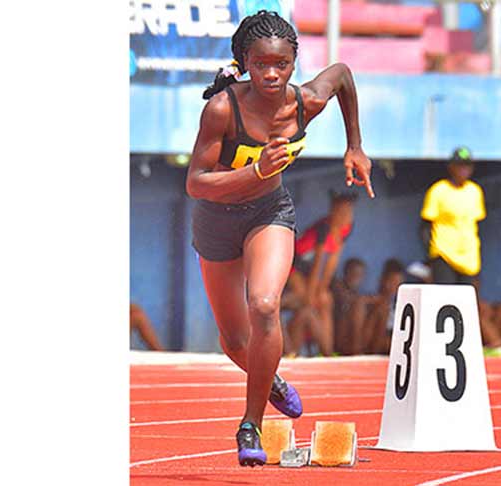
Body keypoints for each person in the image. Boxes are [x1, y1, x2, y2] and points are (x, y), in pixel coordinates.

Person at [186, 10, 374, 467]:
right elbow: (196, 182)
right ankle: (268, 379)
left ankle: (250, 424)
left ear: (293, 62)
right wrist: (255, 170)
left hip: (269, 212)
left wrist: (354, 145)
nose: (272, 74)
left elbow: (344, 76)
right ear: (244, 62)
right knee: (234, 340)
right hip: (216, 220)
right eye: (261, 64)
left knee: (266, 304)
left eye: (282, 65)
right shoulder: (221, 109)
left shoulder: (306, 101)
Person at [282, 190, 357, 357]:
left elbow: (331, 263)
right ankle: (317, 352)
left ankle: (327, 351)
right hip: (294, 266)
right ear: (333, 212)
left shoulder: (347, 228)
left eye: (349, 212)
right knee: (308, 302)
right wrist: (311, 294)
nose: (347, 216)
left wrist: (321, 289)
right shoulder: (324, 228)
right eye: (343, 212)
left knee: (325, 299)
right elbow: (318, 265)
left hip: (307, 270)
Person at [420, 146, 486, 287]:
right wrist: (431, 257)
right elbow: (425, 226)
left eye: (467, 166)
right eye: (460, 165)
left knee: (466, 302)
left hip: (469, 258)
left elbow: (477, 224)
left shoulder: (475, 191)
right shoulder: (438, 190)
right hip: (444, 254)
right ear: (451, 167)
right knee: (446, 300)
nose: (463, 170)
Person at [361, 259, 405, 355]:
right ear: (382, 279)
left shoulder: (401, 304)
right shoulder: (372, 300)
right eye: (391, 281)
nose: (393, 286)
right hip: (372, 343)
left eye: (397, 282)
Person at [330, 257, 367, 356]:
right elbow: (347, 298)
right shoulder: (337, 286)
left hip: (350, 337)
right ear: (345, 273)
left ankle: (360, 350)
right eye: (353, 274)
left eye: (359, 275)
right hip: (335, 338)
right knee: (358, 305)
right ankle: (357, 352)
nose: (355, 278)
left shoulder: (357, 293)